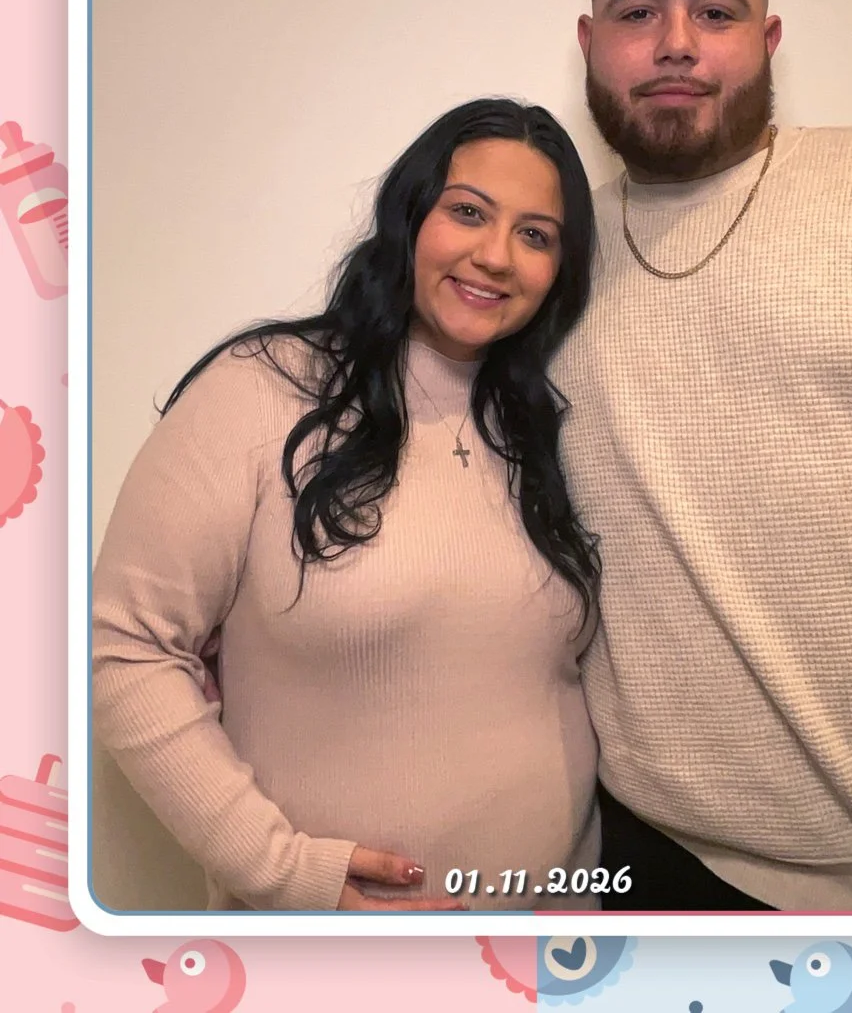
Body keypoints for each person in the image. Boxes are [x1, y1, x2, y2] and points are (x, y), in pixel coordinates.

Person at [551, 0, 852, 914]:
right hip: (657, 858)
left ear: (769, 35)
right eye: (638, 11)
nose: (675, 43)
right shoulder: (544, 263)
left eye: (715, 9)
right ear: (590, 40)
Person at [92, 98, 604, 913]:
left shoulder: (547, 421)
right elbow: (125, 647)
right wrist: (287, 875)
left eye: (536, 234)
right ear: (409, 217)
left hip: (554, 946)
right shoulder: (265, 390)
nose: (497, 256)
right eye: (468, 212)